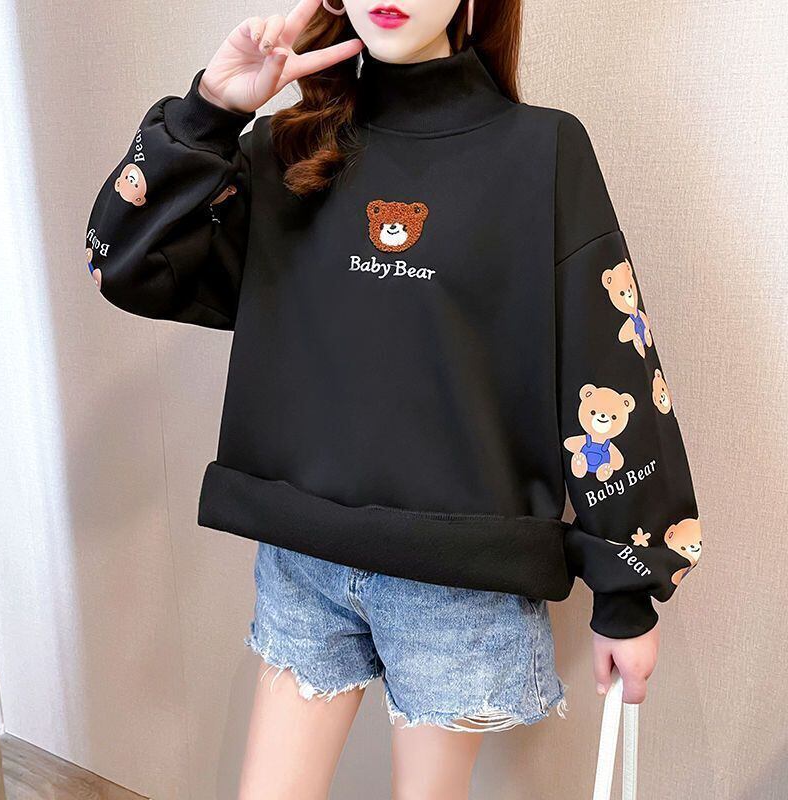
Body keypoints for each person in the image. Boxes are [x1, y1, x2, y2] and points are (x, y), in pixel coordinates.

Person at [84, 0, 703, 797]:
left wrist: (628, 593)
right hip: (302, 560)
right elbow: (123, 261)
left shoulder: (542, 152)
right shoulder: (288, 151)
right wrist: (211, 111)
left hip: (456, 581)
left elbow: (606, 357)